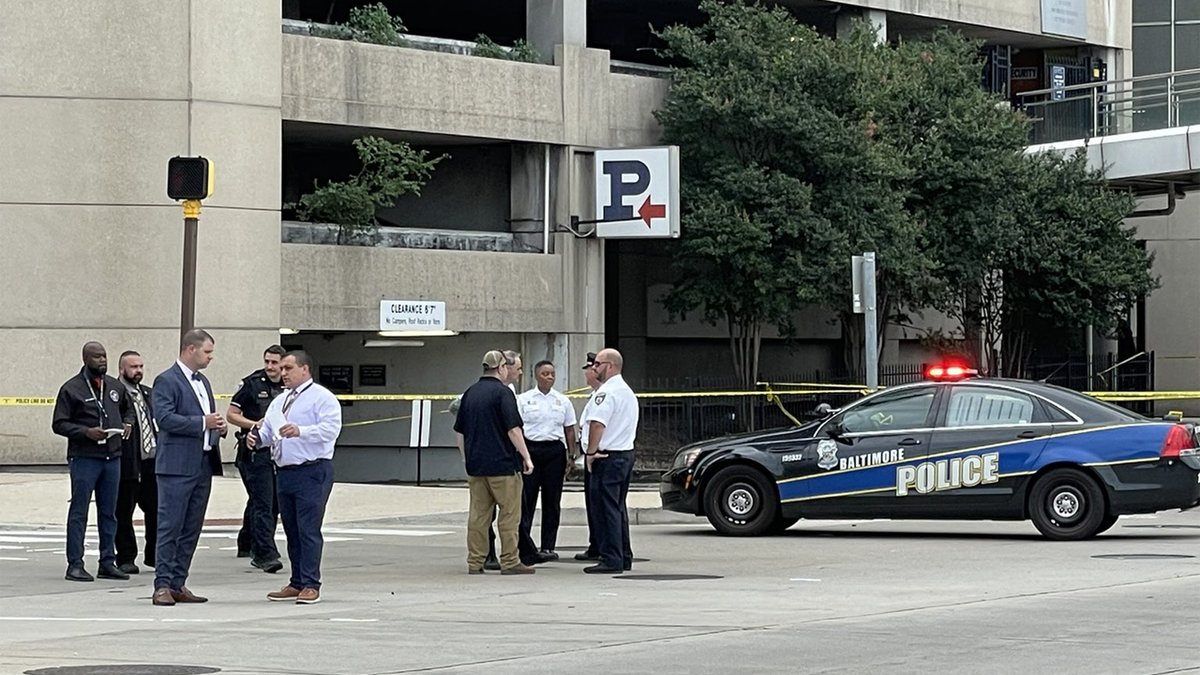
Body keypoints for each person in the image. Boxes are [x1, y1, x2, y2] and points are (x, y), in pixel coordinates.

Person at [249, 350, 342, 605]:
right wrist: (256, 439)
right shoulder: (280, 401)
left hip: (312, 470)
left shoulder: (322, 398)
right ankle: (297, 580)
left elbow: (330, 430)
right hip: (285, 470)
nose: (283, 373)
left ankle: (311, 583)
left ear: (305, 369)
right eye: (282, 369)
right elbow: (269, 431)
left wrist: (301, 431)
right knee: (291, 529)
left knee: (308, 528)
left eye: (289, 368)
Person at [150, 329, 226, 606]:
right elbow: (165, 419)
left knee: (191, 527)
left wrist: (217, 428)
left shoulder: (203, 382)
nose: (210, 357)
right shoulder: (166, 381)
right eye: (207, 352)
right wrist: (201, 423)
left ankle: (178, 581)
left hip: (202, 463)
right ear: (190, 349)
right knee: (170, 525)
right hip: (176, 466)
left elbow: (205, 418)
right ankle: (162, 584)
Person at [52, 341, 135, 582]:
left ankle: (107, 561)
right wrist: (86, 432)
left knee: (109, 512)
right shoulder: (72, 388)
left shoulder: (115, 386)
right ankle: (75, 564)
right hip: (85, 457)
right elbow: (59, 423)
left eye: (104, 356)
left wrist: (127, 423)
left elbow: (128, 409)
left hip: (112, 457)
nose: (102, 360)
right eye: (97, 357)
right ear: (85, 358)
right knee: (79, 510)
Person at [454, 350, 535, 575]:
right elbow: (513, 429)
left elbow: (459, 432)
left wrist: (466, 458)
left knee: (479, 516)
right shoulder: (503, 393)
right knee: (509, 515)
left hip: (476, 466)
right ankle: (510, 561)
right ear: (501, 368)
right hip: (503, 466)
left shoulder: (469, 393)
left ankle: (475, 561)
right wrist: (526, 457)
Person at [227, 345, 287, 574]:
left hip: (279, 451)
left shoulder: (288, 387)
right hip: (253, 451)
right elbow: (232, 414)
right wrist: (255, 425)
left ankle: (246, 541)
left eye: (275, 363)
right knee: (264, 502)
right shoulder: (251, 384)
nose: (270, 367)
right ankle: (265, 554)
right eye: (267, 362)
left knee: (267, 501)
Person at [582, 348, 639, 575]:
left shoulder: (607, 392)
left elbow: (597, 424)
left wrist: (591, 452)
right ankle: (623, 555)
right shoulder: (627, 392)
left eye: (597, 364)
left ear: (610, 366)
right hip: (624, 454)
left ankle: (611, 558)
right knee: (617, 508)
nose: (594, 368)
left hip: (608, 456)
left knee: (605, 509)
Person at [517, 360, 577, 562]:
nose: (549, 377)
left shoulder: (563, 401)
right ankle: (524, 545)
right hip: (530, 449)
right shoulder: (524, 399)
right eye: (545, 373)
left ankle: (548, 546)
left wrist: (571, 455)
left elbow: (570, 429)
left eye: (552, 373)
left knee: (552, 501)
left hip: (554, 451)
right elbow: (516, 428)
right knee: (527, 499)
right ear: (536, 375)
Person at [115, 351, 158, 575]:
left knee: (155, 510)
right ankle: (125, 557)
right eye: (133, 367)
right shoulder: (115, 393)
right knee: (123, 511)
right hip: (127, 462)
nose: (138, 371)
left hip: (151, 461)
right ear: (122, 369)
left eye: (141, 366)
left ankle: (154, 555)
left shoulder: (148, 393)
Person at [573, 352, 602, 562]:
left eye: (588, 369)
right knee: (593, 505)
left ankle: (602, 547)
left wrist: (591, 452)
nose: (585, 373)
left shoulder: (603, 395)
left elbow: (598, 426)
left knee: (601, 505)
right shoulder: (594, 395)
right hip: (591, 456)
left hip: (599, 457)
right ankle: (596, 544)